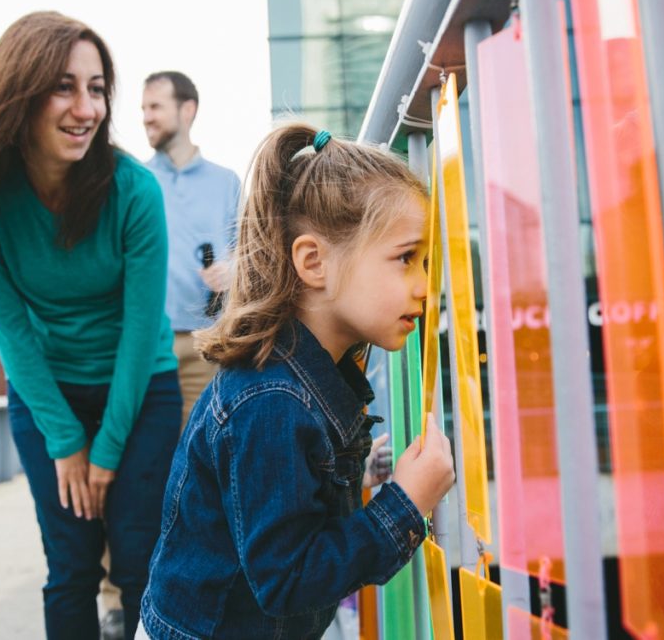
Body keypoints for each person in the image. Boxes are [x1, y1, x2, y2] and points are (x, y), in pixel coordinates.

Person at [138, 124, 456, 639]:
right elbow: (289, 580)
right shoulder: (271, 401)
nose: (425, 286)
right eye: (406, 259)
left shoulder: (297, 378)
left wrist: (362, 476)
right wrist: (405, 504)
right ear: (314, 263)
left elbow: (290, 505)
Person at [0, 11, 181, 640]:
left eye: (97, 87)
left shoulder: (135, 192)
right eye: (65, 87)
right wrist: (66, 444)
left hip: (141, 387)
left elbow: (140, 331)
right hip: (47, 392)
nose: (87, 108)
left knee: (138, 560)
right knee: (71, 567)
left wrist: (104, 452)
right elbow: (13, 339)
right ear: (19, 95)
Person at [141, 70, 240, 428]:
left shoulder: (226, 182)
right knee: (152, 460)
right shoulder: (136, 181)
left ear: (187, 111)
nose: (146, 117)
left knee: (204, 454)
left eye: (155, 106)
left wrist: (233, 269)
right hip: (150, 345)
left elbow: (253, 257)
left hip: (207, 345)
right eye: (143, 108)